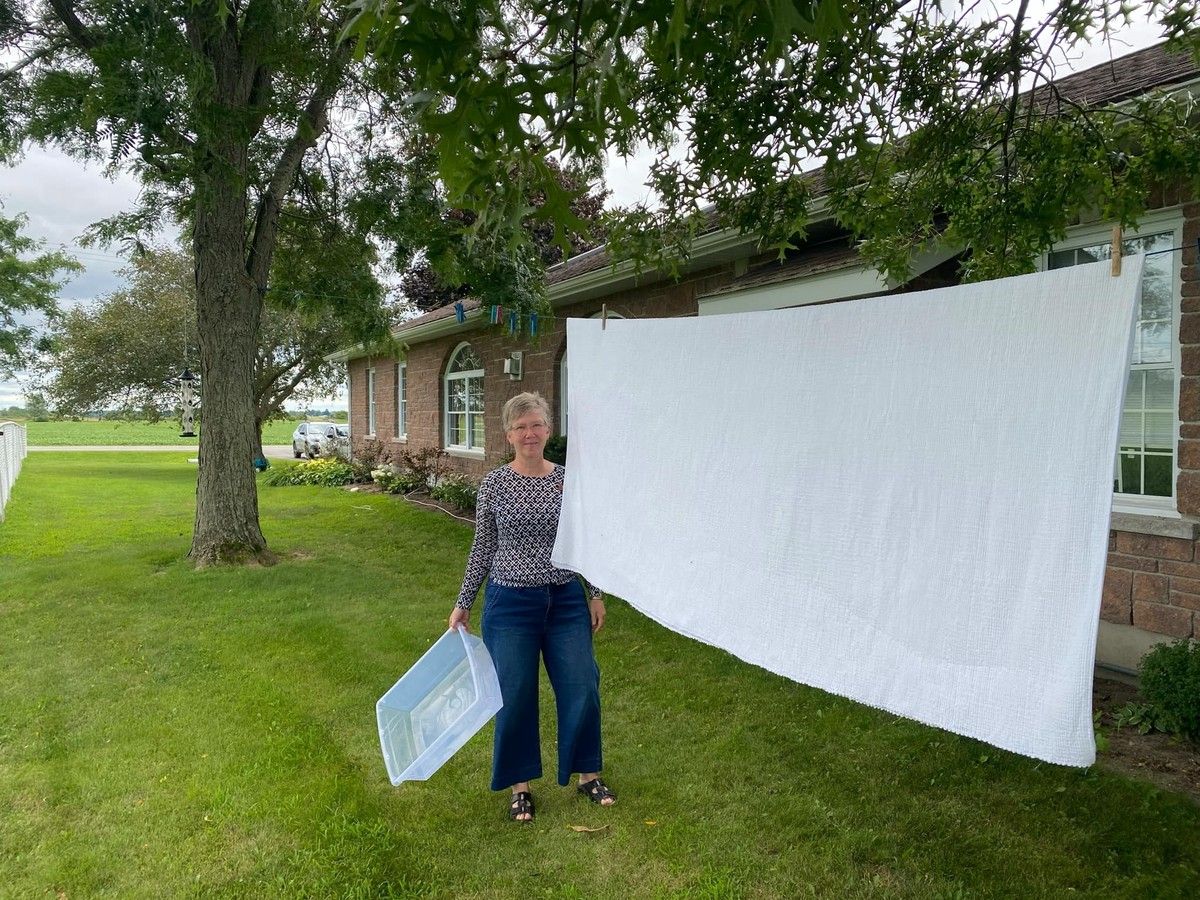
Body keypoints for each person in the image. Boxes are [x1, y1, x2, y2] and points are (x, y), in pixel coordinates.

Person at [449, 391, 615, 823]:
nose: (529, 433)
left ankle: (588, 775)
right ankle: (519, 786)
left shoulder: (568, 481)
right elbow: (483, 547)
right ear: (508, 434)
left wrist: (595, 592)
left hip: (565, 602)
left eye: (536, 424)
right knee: (515, 693)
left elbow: (584, 541)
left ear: (549, 429)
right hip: (510, 605)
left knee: (582, 684)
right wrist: (464, 603)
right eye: (520, 427)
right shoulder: (494, 484)